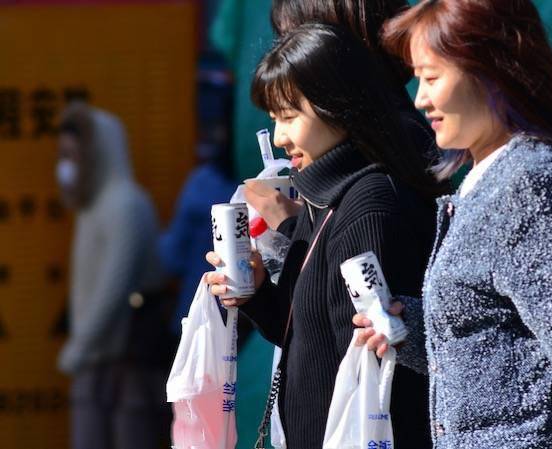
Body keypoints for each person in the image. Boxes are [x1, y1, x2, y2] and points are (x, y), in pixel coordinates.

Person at [354, 0, 552, 447]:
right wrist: (412, 331)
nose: (420, 98)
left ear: (492, 69)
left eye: (432, 77)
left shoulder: (530, 185)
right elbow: (504, 345)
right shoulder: (484, 181)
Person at [205, 24, 446, 448]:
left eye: (288, 117)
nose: (279, 138)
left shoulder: (368, 205)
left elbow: (373, 364)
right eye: (274, 120)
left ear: (336, 105)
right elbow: (308, 338)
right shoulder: (327, 197)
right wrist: (256, 293)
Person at [243, 0, 437, 233]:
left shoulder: (373, 188)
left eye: (297, 40)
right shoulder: (344, 159)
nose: (285, 57)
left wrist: (292, 229)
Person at [55, 102, 169, 449]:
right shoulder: (93, 206)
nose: (66, 165)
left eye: (74, 155)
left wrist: (79, 347)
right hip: (99, 358)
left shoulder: (125, 204)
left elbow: (114, 287)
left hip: (125, 361)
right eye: (64, 155)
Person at [159, 66, 238, 337]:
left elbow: (171, 258)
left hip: (198, 323)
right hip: (253, 329)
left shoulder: (203, 184)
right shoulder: (270, 185)